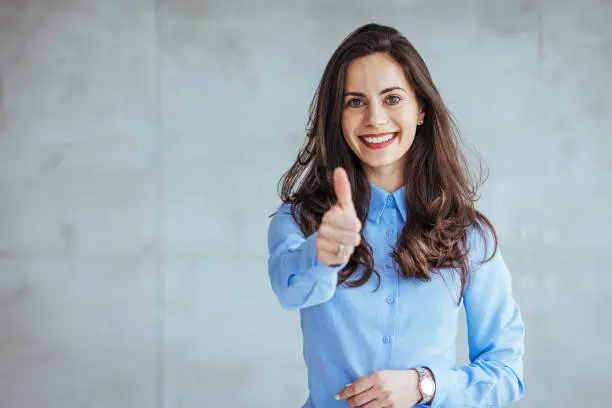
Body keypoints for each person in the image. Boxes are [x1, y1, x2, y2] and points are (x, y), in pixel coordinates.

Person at [266, 23, 524, 408]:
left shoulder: (469, 234)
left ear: (420, 108)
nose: (374, 119)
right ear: (336, 115)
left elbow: (507, 372)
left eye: (392, 99)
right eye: (355, 102)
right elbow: (290, 289)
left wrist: (425, 386)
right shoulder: (301, 220)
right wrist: (322, 253)